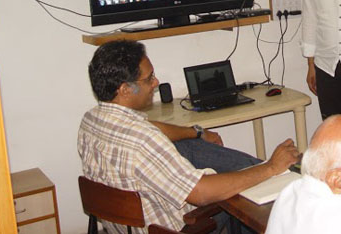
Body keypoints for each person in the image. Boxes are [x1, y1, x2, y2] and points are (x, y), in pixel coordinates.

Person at [78, 40, 299, 234]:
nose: (156, 83)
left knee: (190, 145)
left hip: (124, 225)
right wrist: (270, 167)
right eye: (149, 79)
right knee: (248, 199)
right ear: (125, 89)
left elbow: (152, 127)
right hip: (179, 227)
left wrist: (196, 132)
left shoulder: (91, 121)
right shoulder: (143, 142)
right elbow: (201, 194)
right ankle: (280, 185)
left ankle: (266, 173)